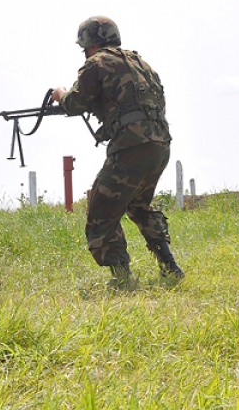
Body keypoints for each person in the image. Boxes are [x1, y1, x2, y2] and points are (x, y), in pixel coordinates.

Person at [52, 16, 184, 287]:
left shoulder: (97, 63)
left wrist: (60, 95)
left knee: (102, 210)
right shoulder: (140, 63)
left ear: (90, 43)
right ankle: (169, 266)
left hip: (131, 148)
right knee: (138, 205)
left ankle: (122, 278)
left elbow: (75, 103)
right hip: (159, 144)